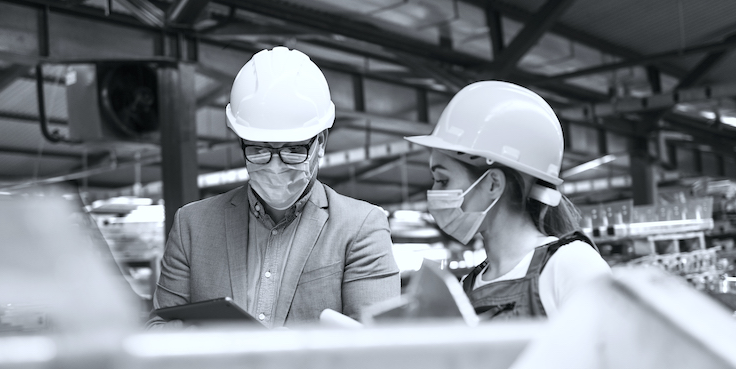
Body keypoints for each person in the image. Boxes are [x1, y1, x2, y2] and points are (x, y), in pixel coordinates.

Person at [149, 46, 400, 328]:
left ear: (321, 143)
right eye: (259, 150)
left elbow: (380, 350)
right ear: (241, 141)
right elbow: (157, 330)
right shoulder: (192, 226)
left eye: (294, 150)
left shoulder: (361, 227)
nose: (275, 166)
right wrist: (219, 344)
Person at [405, 80, 610, 320]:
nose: (433, 193)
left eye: (442, 180)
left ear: (493, 184)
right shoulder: (466, 288)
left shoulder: (571, 266)